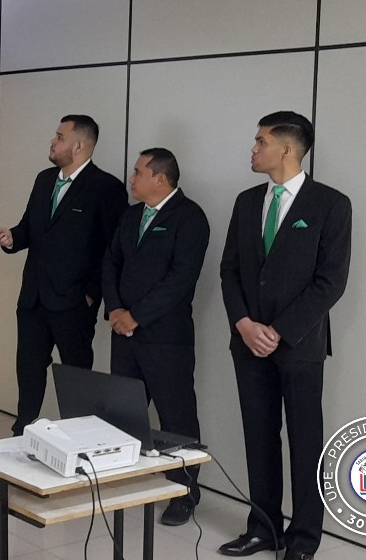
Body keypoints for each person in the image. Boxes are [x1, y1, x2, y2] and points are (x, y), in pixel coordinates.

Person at [218, 112, 352, 560]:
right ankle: (263, 529)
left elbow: (330, 282)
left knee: (305, 442)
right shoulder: (245, 201)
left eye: (260, 141)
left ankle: (304, 539)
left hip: (298, 345)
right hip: (247, 342)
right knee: (259, 437)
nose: (253, 149)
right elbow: (229, 270)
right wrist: (243, 324)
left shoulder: (331, 204)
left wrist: (277, 331)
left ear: (287, 149)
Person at [0, 114, 127, 436]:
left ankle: (79, 436)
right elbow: (30, 227)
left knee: (76, 375)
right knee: (28, 368)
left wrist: (92, 294)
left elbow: (114, 250)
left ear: (79, 145)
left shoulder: (106, 188)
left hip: (74, 302)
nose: (53, 142)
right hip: (34, 297)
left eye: (59, 137)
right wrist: (13, 238)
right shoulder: (44, 180)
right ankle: (22, 430)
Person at [101, 148, 209, 527]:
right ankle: (124, 481)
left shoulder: (190, 218)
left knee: (176, 417)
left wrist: (137, 316)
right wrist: (115, 310)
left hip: (166, 338)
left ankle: (183, 492)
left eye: (137, 172)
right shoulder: (131, 215)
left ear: (160, 178)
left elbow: (180, 281)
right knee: (123, 414)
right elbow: (110, 262)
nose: (131, 179)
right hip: (124, 335)